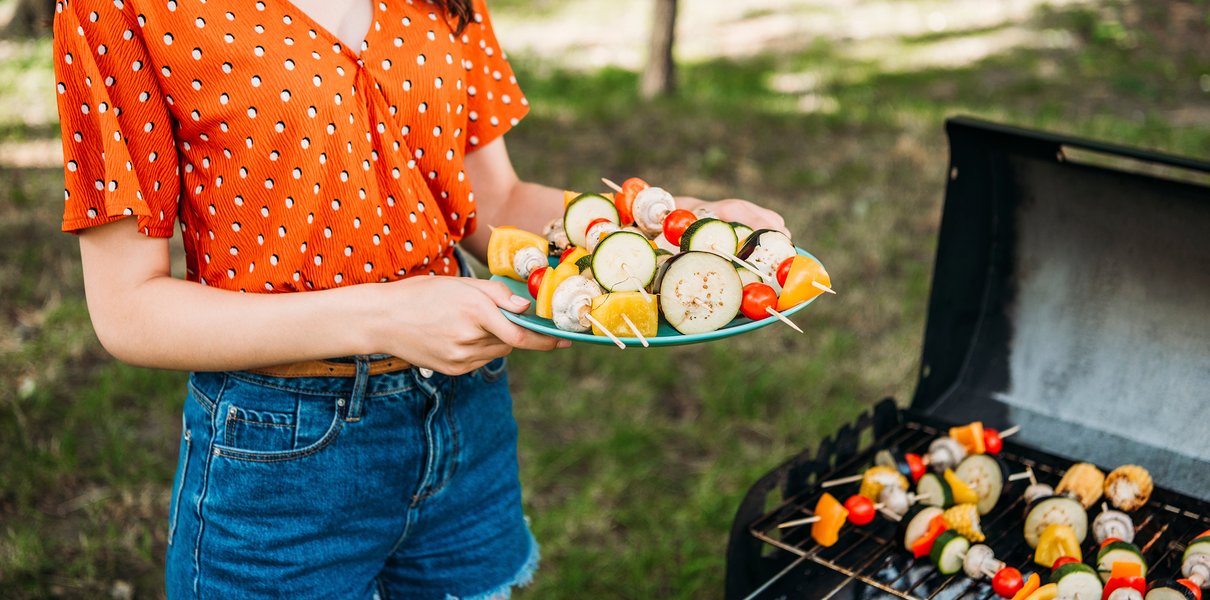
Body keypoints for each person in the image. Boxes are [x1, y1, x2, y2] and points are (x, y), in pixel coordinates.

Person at [51, 0, 786, 597]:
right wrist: (383, 314)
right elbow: (128, 310)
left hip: (467, 423)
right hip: (280, 461)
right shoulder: (119, 9)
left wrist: (671, 234)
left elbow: (489, 199)